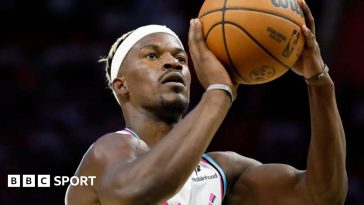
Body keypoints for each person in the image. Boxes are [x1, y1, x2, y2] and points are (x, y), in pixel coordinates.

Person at [65, 0, 347, 204]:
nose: (171, 63)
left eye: (180, 58)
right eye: (152, 56)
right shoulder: (107, 152)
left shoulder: (223, 171)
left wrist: (320, 82)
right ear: (121, 85)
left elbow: (323, 194)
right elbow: (137, 193)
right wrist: (219, 92)